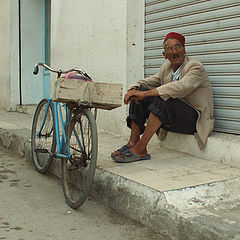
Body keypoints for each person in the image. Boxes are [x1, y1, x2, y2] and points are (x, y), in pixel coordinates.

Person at [111, 32, 214, 163]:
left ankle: (141, 148)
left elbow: (181, 87)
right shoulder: (166, 68)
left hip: (193, 120)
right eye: (170, 49)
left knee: (162, 96)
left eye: (178, 47)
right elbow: (147, 82)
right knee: (141, 92)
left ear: (184, 50)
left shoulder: (195, 66)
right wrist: (134, 89)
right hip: (174, 117)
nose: (175, 51)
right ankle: (133, 142)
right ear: (164, 55)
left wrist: (146, 94)